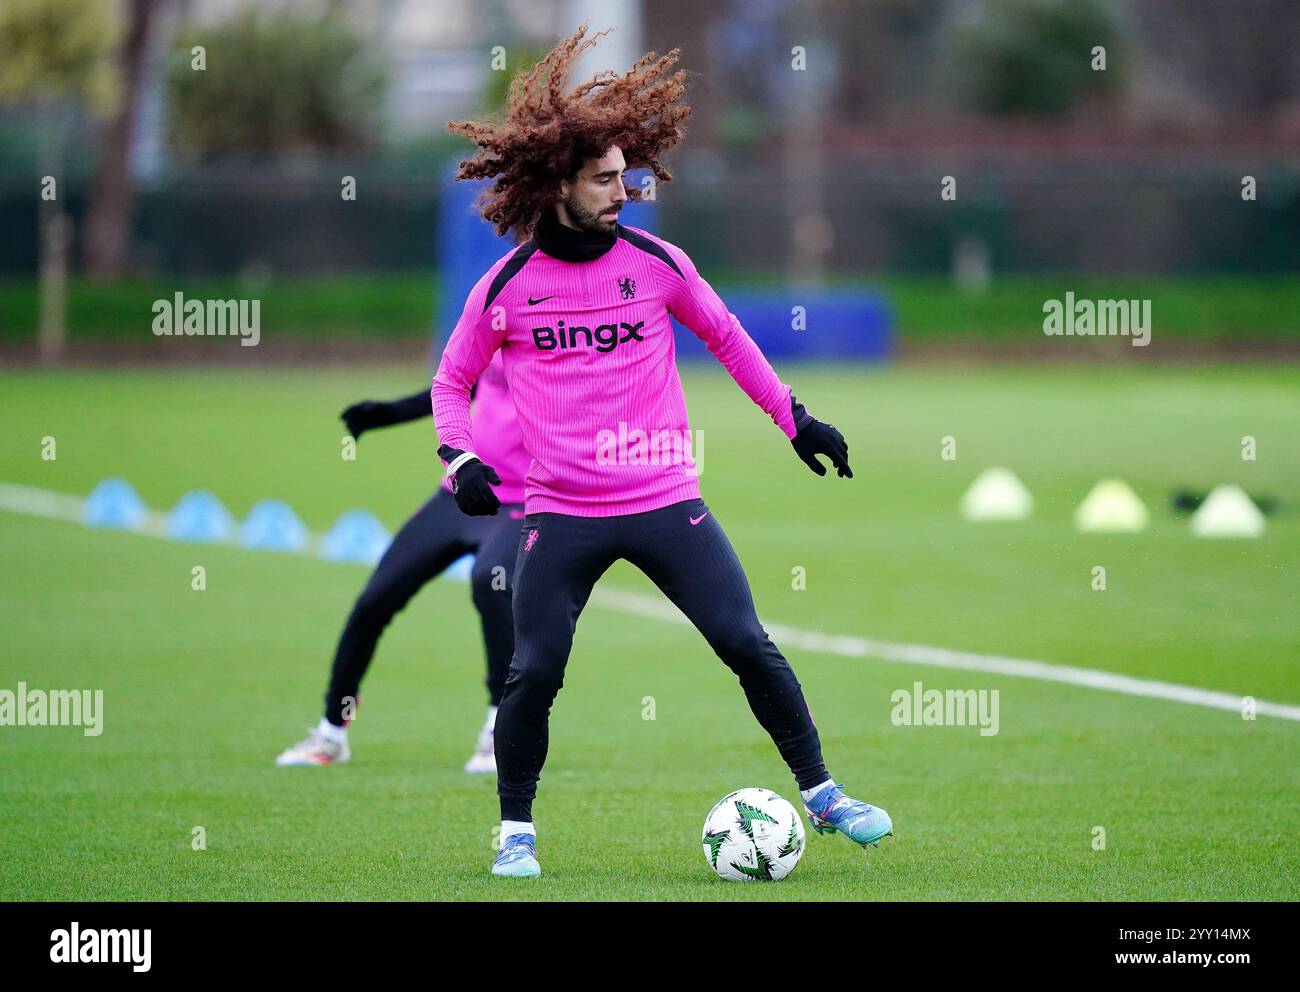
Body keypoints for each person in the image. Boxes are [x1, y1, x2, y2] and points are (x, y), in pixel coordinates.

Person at [433, 26, 892, 878]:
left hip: (664, 500)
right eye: (605, 180)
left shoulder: (656, 264)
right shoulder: (504, 288)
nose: (624, 191)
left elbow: (730, 339)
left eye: (625, 175)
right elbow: (449, 384)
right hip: (561, 514)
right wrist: (458, 459)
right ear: (558, 183)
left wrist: (798, 421)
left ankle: (824, 795)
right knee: (533, 673)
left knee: (746, 642)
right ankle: (515, 835)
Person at [276, 353, 528, 773]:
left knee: (490, 584)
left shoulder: (566, 331)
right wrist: (389, 413)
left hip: (521, 500)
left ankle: (497, 729)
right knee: (374, 600)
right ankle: (331, 732)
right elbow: (457, 385)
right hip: (458, 494)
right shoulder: (499, 314)